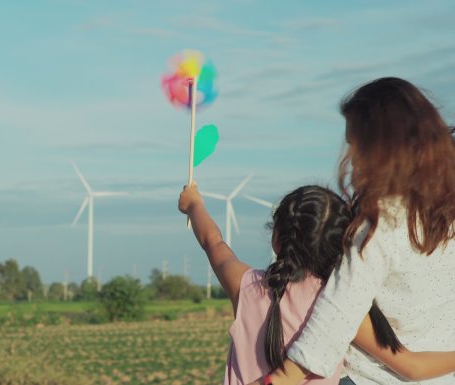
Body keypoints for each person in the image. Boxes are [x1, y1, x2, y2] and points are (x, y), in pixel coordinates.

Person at [247, 77, 455, 385]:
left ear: (381, 149)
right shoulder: (446, 213)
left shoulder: (379, 227)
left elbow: (328, 330)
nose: (351, 158)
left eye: (356, 144)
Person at [179, 184, 455, 385]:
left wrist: (194, 205)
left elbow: (213, 242)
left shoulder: (245, 285)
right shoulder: (338, 306)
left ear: (276, 240)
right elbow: (411, 367)